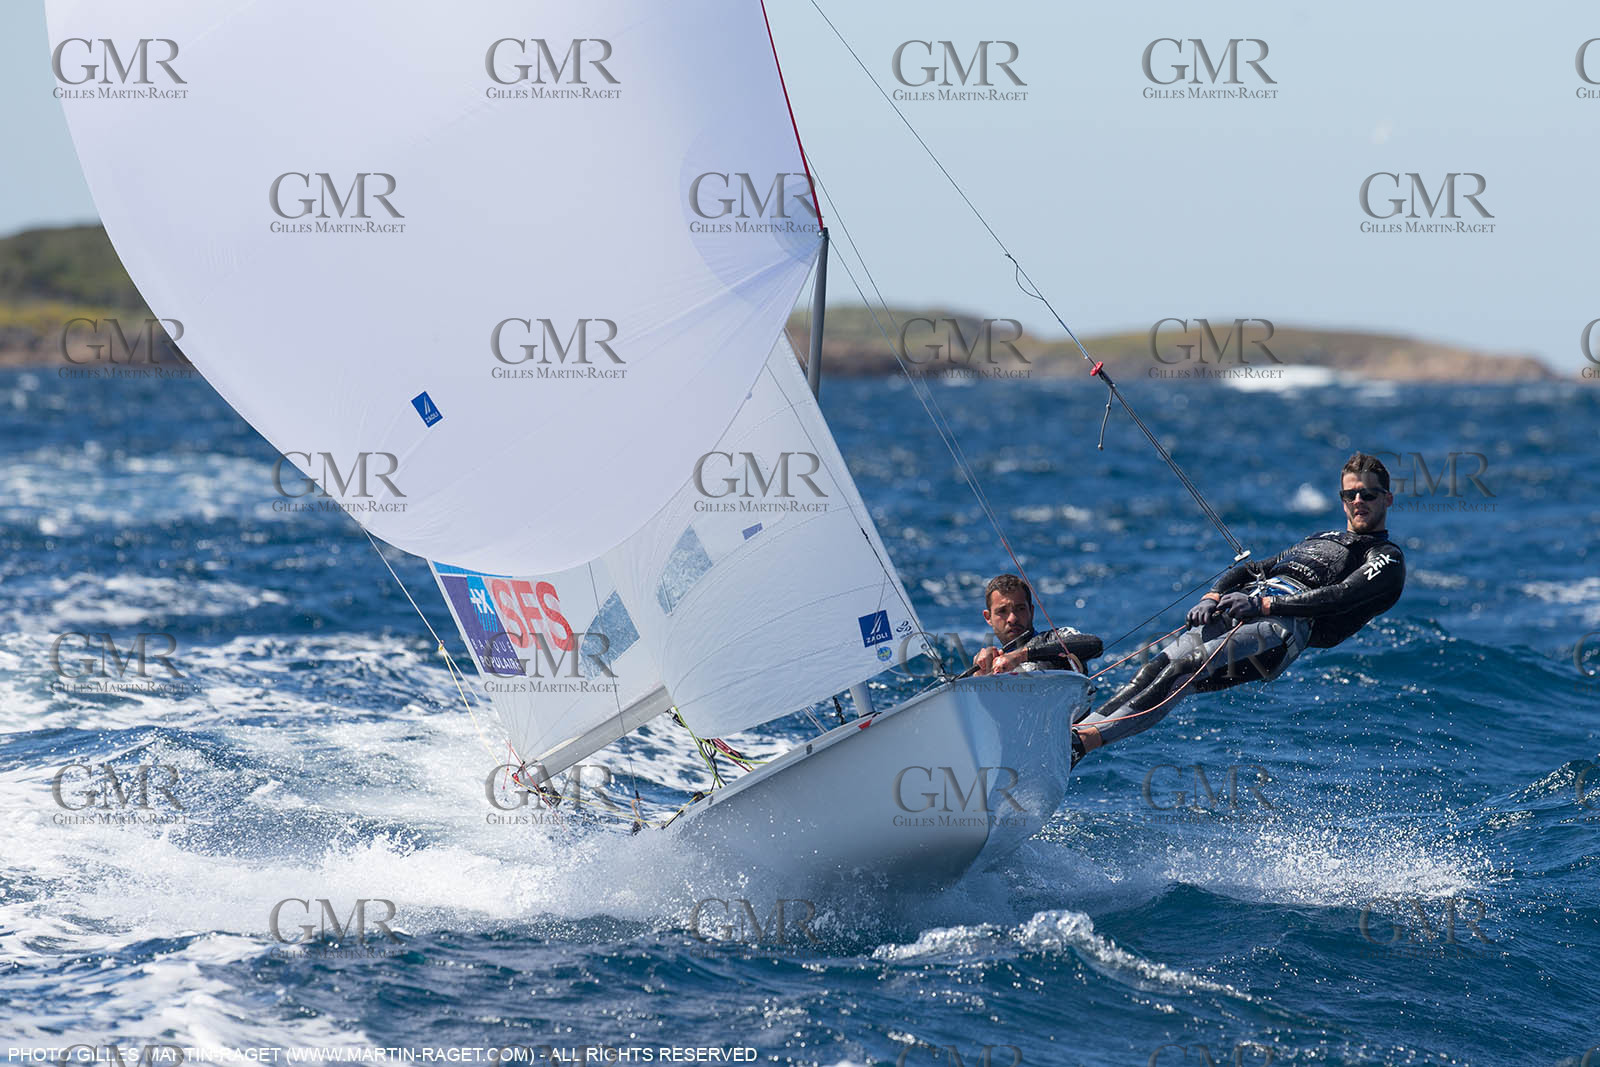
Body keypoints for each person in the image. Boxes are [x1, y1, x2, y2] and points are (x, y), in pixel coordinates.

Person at [1073, 452, 1406, 767]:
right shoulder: (1320, 537)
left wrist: (1263, 605)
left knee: (1184, 670)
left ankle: (1082, 745)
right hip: (1240, 610)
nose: (1358, 502)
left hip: (1280, 631)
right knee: (1157, 665)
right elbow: (1253, 568)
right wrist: (1212, 596)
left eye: (1368, 495)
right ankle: (1075, 732)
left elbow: (1341, 595)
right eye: (1350, 496)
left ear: (1388, 499)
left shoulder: (1386, 557)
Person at [972, 573, 1103, 675]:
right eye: (1002, 611)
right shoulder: (992, 665)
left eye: (1020, 608)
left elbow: (1095, 645)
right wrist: (979, 675)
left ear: (1031, 611)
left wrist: (1021, 655)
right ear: (988, 617)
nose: (1012, 618)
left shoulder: (1056, 638)